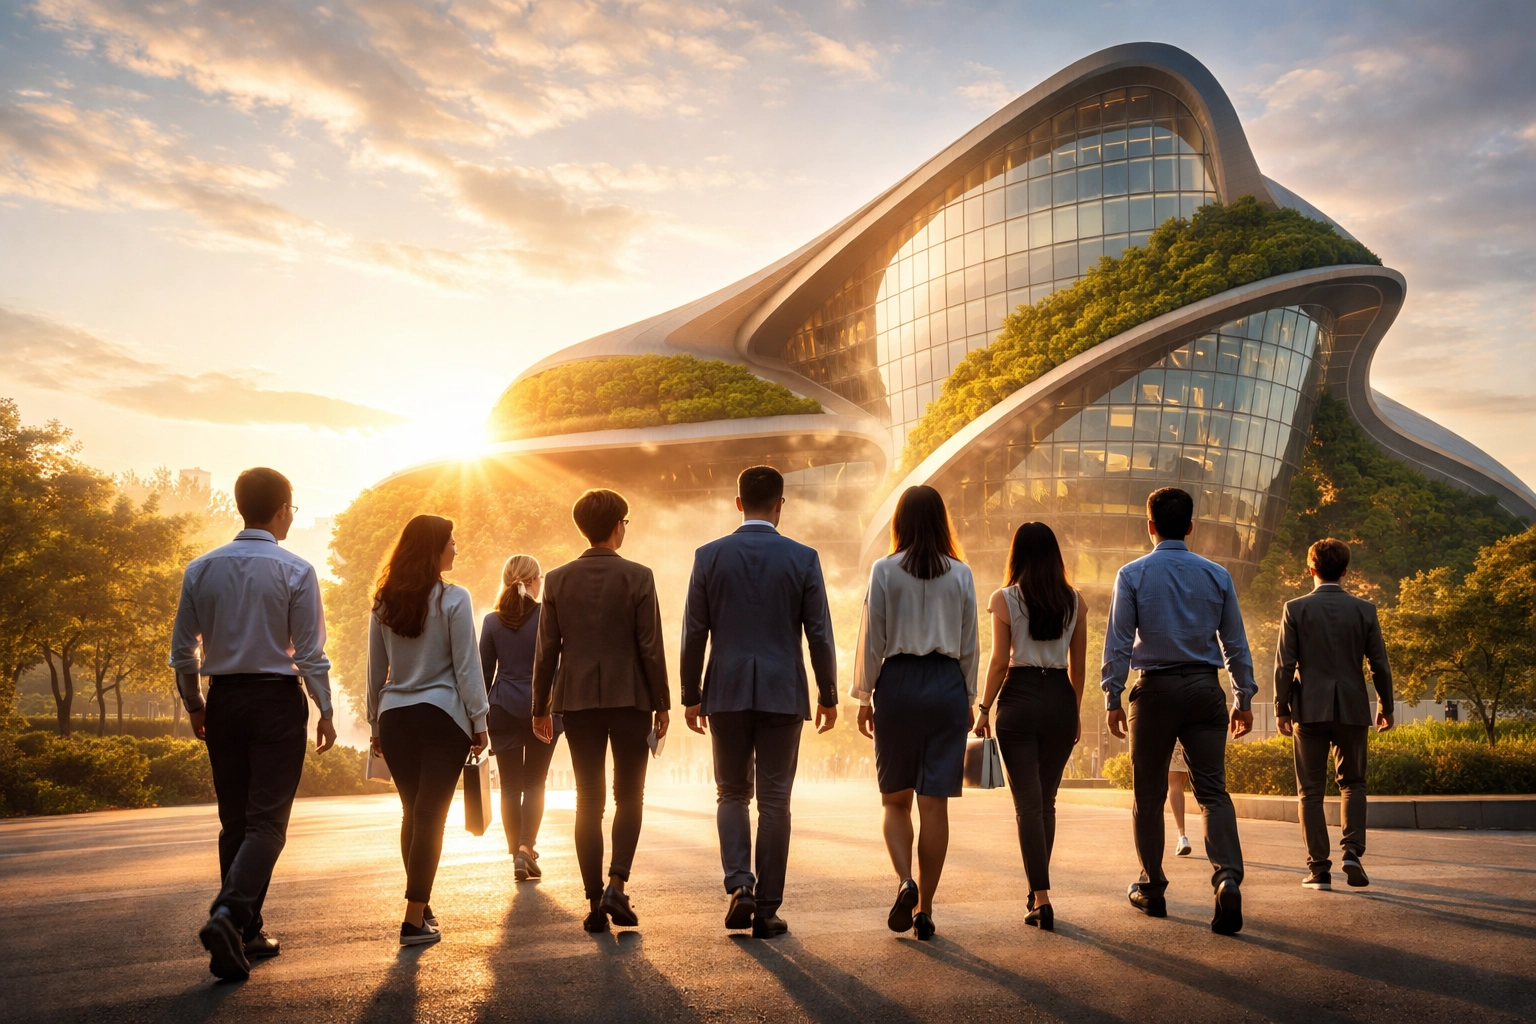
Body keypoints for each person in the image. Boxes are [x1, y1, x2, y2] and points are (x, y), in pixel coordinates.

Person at [169, 467, 337, 981]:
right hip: (276, 703)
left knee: (235, 822)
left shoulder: (201, 569)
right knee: (266, 824)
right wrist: (325, 709)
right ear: (282, 509)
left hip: (224, 702)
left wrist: (195, 704)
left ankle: (246, 933)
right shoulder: (296, 570)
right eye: (293, 510)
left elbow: (183, 650)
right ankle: (229, 914)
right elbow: (309, 653)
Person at [680, 466, 839, 939]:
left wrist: (691, 695)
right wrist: (828, 694)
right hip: (782, 690)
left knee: (731, 792)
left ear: (738, 503)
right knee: (775, 801)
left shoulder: (708, 556)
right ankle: (767, 910)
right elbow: (820, 634)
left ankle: (739, 884)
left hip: (726, 690)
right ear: (780, 505)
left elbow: (694, 632)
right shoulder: (803, 558)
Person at [1103, 486, 1255, 936]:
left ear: (1150, 526)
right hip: (1205, 690)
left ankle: (1152, 887)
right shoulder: (1217, 575)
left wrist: (1112, 696)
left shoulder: (1131, 574)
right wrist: (1243, 698)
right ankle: (1226, 877)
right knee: (1212, 792)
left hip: (1154, 693)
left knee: (1148, 795)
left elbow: (1118, 642)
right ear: (1190, 527)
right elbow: (1235, 644)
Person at [532, 489, 669, 933]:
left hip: (577, 701)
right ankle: (617, 885)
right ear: (616, 526)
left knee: (587, 800)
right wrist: (663, 704)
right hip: (631, 698)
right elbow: (650, 647)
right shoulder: (639, 576)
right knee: (629, 795)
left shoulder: (556, 580)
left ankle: (594, 905)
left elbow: (546, 651)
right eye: (625, 522)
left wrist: (540, 707)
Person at [853, 485, 978, 942]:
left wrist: (863, 696)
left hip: (899, 684)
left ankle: (905, 880)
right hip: (946, 684)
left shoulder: (884, 570)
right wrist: (969, 697)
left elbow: (872, 638)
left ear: (900, 521)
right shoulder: (961, 573)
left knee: (895, 801)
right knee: (934, 803)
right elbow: (970, 643)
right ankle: (926, 909)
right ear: (941, 521)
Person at [367, 514, 489, 947]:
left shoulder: (383, 602)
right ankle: (412, 920)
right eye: (451, 541)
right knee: (429, 817)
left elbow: (375, 670)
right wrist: (480, 720)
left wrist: (374, 722)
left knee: (413, 813)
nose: (456, 547)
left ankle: (421, 907)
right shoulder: (454, 598)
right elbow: (467, 666)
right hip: (443, 717)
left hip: (395, 718)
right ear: (433, 548)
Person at [974, 522, 1085, 931]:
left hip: (1018, 700)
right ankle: (1037, 892)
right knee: (1046, 802)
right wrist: (1074, 712)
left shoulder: (1004, 599)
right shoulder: (1075, 601)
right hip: (1059, 699)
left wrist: (983, 709)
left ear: (1017, 554)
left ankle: (1041, 898)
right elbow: (1078, 667)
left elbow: (999, 661)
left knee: (1028, 805)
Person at [1275, 538, 1394, 890]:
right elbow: (1380, 665)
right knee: (1353, 783)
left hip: (1308, 709)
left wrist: (1282, 707)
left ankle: (1318, 870)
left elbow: (1285, 665)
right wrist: (1385, 706)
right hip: (1352, 707)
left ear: (1310, 568)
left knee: (1310, 791)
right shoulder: (1365, 610)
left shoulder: (1295, 609)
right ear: (1345, 571)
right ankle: (1352, 851)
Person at [480, 554, 561, 880]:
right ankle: (526, 848)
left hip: (502, 708)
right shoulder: (546, 616)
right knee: (535, 782)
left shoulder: (492, 621)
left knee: (510, 787)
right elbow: (557, 665)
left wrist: (476, 720)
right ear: (531, 581)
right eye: (539, 578)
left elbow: (484, 675)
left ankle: (517, 854)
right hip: (542, 709)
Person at [1167, 742, 1192, 856]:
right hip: (1193, 738)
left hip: (1173, 739)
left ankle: (1182, 837)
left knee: (1175, 783)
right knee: (1181, 783)